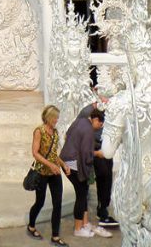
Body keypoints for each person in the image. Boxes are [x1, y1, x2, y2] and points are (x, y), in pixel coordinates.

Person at [60, 107, 113, 238]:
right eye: (100, 124)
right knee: (81, 196)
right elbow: (86, 154)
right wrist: (98, 154)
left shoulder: (80, 121)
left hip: (66, 160)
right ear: (95, 119)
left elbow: (67, 135)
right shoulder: (89, 130)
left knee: (82, 193)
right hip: (73, 165)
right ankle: (78, 228)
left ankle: (85, 223)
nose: (99, 127)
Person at [27, 104, 69, 245]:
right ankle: (31, 225)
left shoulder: (55, 132)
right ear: (49, 117)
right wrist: (50, 165)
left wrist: (63, 165)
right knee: (40, 202)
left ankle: (55, 236)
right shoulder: (39, 131)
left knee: (58, 203)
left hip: (54, 172)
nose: (57, 120)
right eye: (55, 117)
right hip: (42, 173)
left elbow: (54, 155)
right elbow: (35, 153)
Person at [76, 103, 116, 229]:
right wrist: (93, 151)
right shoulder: (88, 111)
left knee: (106, 178)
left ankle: (102, 209)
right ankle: (88, 215)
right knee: (94, 180)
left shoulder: (114, 109)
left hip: (106, 148)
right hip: (93, 149)